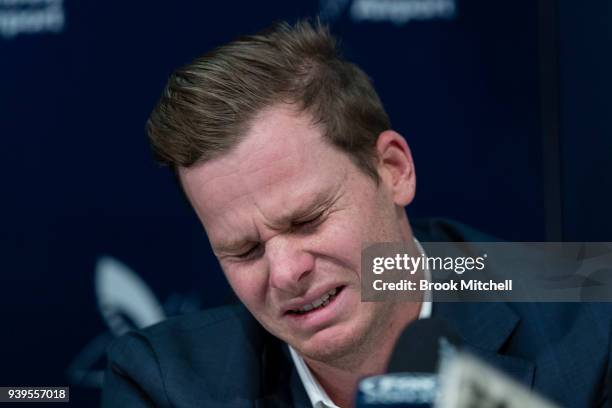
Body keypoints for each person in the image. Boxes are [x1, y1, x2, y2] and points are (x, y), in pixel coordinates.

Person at [101, 20, 611, 407]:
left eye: (308, 219)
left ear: (393, 170)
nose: (285, 273)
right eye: (245, 250)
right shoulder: (163, 382)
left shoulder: (592, 324)